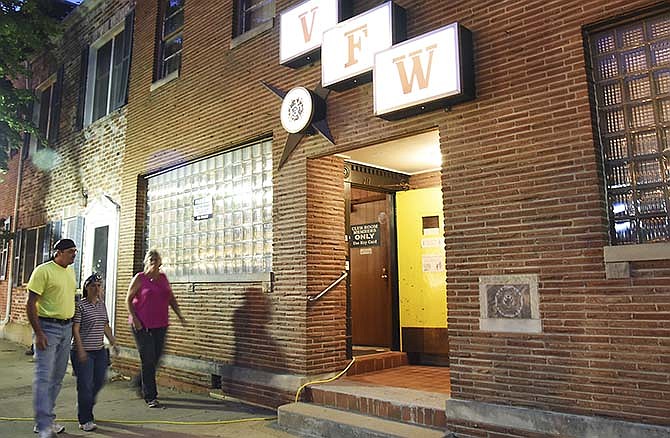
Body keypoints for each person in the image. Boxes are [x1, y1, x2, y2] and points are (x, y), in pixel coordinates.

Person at [26, 238, 78, 438]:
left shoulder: (70, 271)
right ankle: (43, 425)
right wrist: (38, 333)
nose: (74, 254)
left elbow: (68, 297)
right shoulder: (43, 271)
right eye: (71, 251)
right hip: (47, 327)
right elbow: (30, 303)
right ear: (59, 252)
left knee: (57, 377)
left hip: (66, 328)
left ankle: (48, 419)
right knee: (44, 376)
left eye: (75, 251)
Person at [126, 249, 185, 408]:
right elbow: (128, 300)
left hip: (161, 324)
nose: (153, 260)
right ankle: (150, 396)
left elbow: (170, 298)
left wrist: (179, 315)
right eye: (150, 258)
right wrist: (136, 320)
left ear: (160, 262)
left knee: (156, 357)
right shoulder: (140, 278)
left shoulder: (163, 278)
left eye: (156, 258)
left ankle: (139, 382)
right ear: (146, 261)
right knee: (148, 359)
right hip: (142, 325)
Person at [71, 273, 118, 432]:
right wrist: (81, 350)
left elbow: (105, 325)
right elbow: (75, 329)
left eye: (99, 286)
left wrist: (113, 342)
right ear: (86, 288)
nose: (96, 289)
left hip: (99, 351)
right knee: (85, 385)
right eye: (93, 286)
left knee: (99, 381)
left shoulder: (101, 305)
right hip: (83, 351)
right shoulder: (80, 305)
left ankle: (85, 404)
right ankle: (85, 419)